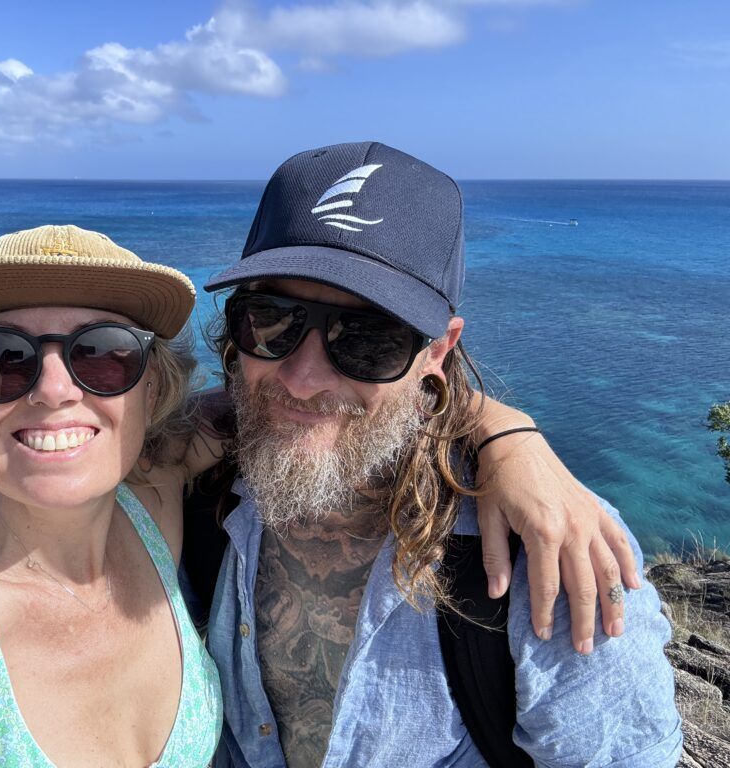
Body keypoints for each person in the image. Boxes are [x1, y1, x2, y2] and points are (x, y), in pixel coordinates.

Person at [0, 221, 641, 767]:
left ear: (153, 391)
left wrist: (506, 436)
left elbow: (303, 407)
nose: (55, 389)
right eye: (0, 360)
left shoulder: (156, 496)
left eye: (103, 353)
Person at [198, 142, 682, 767]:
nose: (302, 378)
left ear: (437, 350)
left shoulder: (547, 553)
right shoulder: (194, 484)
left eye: (369, 337)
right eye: (271, 319)